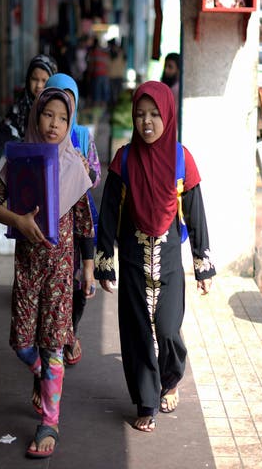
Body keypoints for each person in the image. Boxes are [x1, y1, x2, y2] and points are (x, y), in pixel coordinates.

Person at [94, 81, 215, 433]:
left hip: (169, 260)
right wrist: (105, 261)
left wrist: (203, 266)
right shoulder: (125, 159)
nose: (147, 122)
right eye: (140, 115)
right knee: (135, 334)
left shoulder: (181, 158)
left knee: (167, 329)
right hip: (132, 257)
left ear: (168, 115)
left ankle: (171, 376)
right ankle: (146, 401)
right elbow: (109, 213)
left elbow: (195, 212)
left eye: (154, 114)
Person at [0, 87, 95, 458]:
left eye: (63, 118)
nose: (55, 124)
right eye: (48, 115)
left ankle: (50, 420)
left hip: (61, 272)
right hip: (28, 268)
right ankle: (44, 376)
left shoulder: (76, 165)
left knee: (52, 348)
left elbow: (84, 224)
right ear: (36, 116)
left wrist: (89, 269)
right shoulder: (20, 159)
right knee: (21, 344)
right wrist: (16, 219)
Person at [45, 73, 102, 366]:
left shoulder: (81, 135)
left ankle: (72, 331)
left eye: (68, 102)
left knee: (79, 284)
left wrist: (82, 169)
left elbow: (95, 178)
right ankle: (56, 342)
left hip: (78, 223)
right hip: (48, 221)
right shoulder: (38, 138)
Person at [0, 54, 58, 170]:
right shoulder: (21, 106)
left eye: (44, 80)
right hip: (24, 166)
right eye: (34, 79)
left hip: (52, 167)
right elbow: (7, 129)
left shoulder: (58, 107)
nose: (39, 85)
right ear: (28, 79)